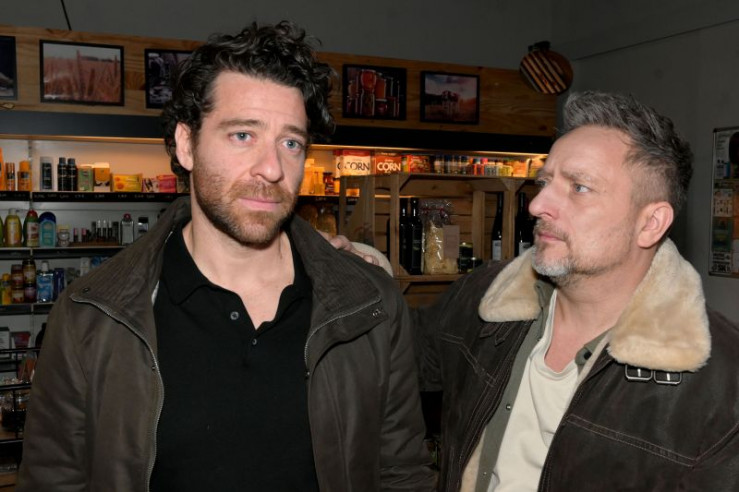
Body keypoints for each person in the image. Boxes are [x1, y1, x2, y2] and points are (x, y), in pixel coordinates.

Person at [18, 21, 435, 492]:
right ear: (186, 144)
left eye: (291, 142)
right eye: (242, 135)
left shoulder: (370, 306)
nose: (272, 168)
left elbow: (401, 475)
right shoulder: (91, 318)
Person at [403, 91, 739, 491]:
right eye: (545, 182)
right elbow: (389, 356)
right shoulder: (483, 296)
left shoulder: (721, 383)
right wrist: (352, 269)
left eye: (579, 187)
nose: (538, 205)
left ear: (650, 224)